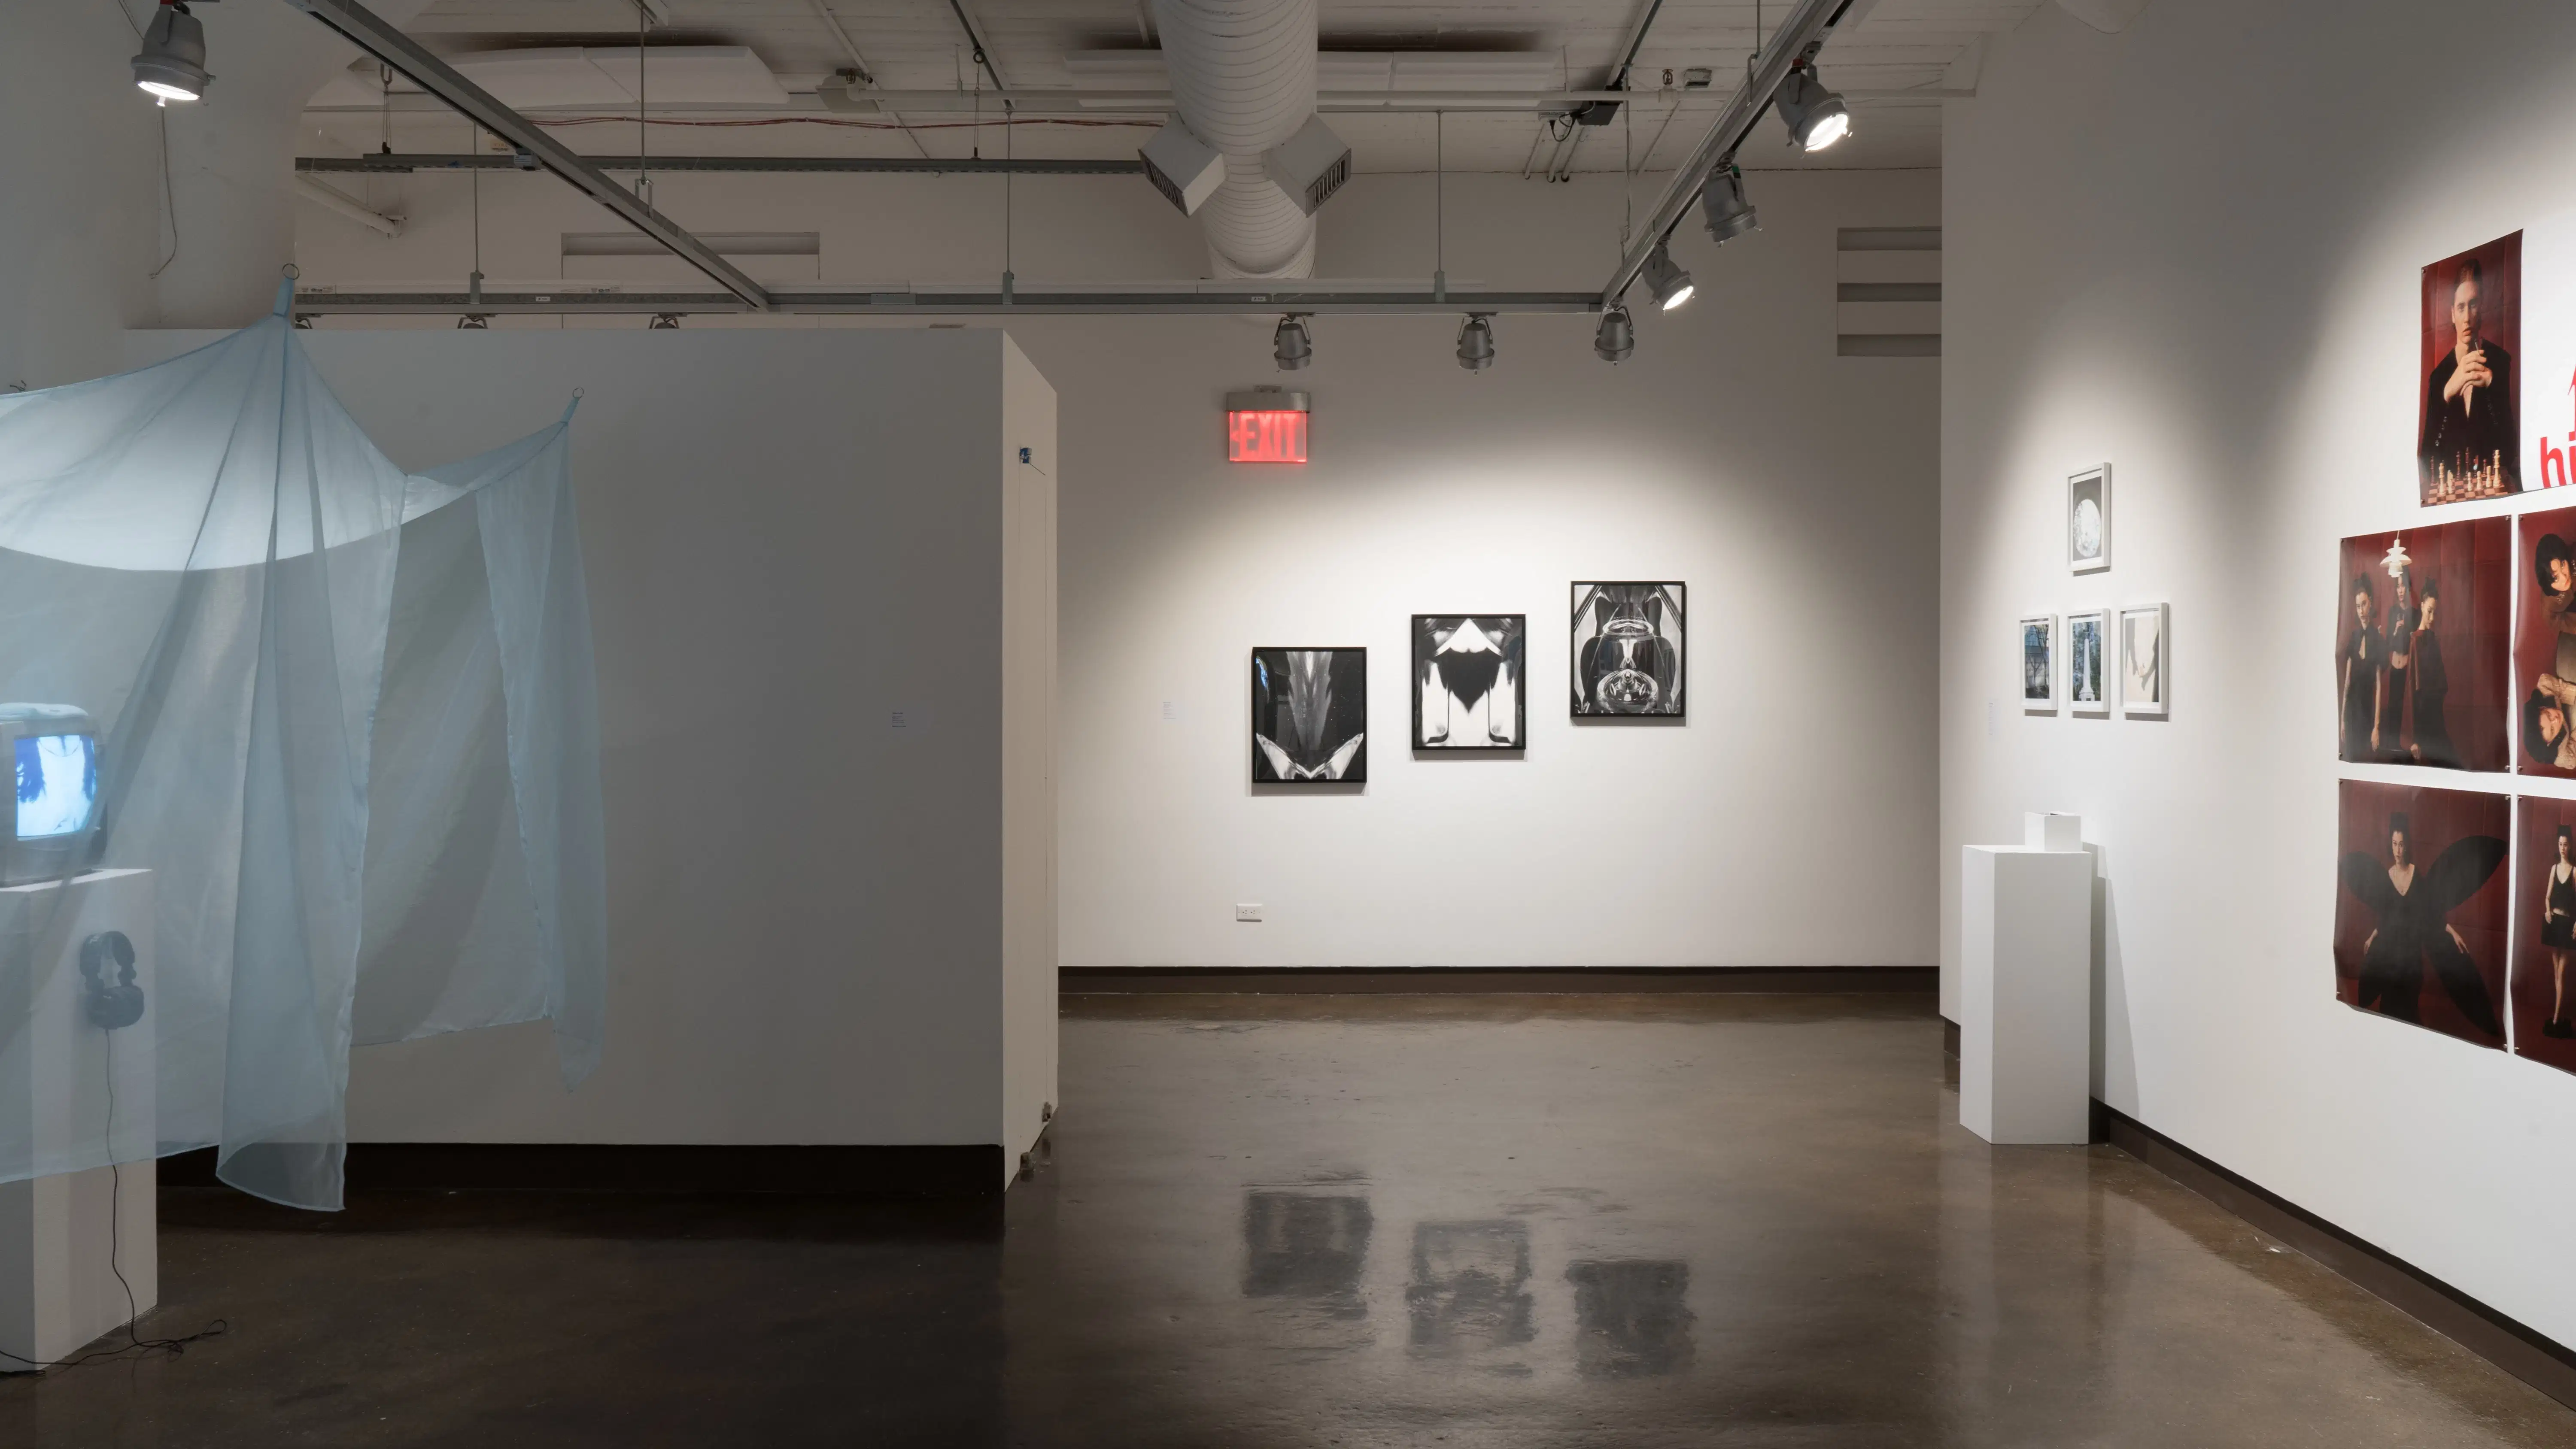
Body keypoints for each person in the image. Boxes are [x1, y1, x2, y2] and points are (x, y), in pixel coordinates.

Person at [2344, 812, 2505, 1037]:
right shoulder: (2387, 876)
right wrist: (2372, 937)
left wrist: (2452, 932)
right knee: (2388, 1012)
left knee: (2409, 1013)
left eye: (2401, 845)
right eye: (2394, 844)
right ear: (2390, 845)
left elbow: (2430, 913)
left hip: (2411, 960)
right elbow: (2387, 917)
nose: (2398, 851)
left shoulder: (2415, 874)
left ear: (2407, 845)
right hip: (2390, 959)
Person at [2420, 257, 2519, 494]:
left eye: (2473, 305)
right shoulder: (2439, 377)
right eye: (2461, 307)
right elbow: (2426, 458)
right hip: (2454, 494)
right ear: (2452, 314)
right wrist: (2447, 392)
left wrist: (2492, 386)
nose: (2467, 317)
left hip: (2492, 491)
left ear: (2482, 309)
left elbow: (2509, 449)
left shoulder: (2500, 360)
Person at [2406, 581, 2454, 766]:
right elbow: (2413, 691)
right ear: (2422, 607)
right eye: (2429, 611)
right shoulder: (2415, 641)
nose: (2432, 617)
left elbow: (2444, 684)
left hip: (2437, 717)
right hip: (2423, 722)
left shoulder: (2433, 640)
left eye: (2435, 612)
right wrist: (2415, 738)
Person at [2341, 576, 2387, 761]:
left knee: (2365, 760)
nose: (2361, 611)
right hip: (2351, 711)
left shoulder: (2378, 640)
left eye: (2364, 605)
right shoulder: (2353, 637)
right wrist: (2342, 719)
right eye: (2358, 606)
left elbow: (2379, 688)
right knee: (2351, 758)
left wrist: (2376, 727)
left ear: (2371, 603)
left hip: (2367, 712)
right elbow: (2347, 681)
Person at [2541, 826, 2576, 1039]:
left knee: (2561, 973)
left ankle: (2555, 1018)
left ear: (2570, 846)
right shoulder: (2554, 868)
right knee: (2556, 972)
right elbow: (2547, 896)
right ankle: (2557, 1015)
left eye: (2566, 845)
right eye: (2560, 844)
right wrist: (2546, 911)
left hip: (2567, 925)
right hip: (2553, 924)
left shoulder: (2574, 871)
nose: (2563, 848)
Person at [2536, 533, 2576, 682]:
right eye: (2556, 578)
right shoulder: (2549, 604)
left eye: (2563, 565)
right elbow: (2558, 623)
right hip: (2571, 628)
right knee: (2567, 671)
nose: (2565, 578)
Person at [2525, 672, 2576, 770]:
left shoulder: (2545, 687)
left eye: (2549, 715)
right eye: (2552, 730)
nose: (2556, 720)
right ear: (2550, 742)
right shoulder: (2561, 756)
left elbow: (2561, 689)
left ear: (2541, 708)